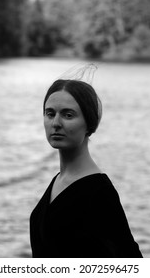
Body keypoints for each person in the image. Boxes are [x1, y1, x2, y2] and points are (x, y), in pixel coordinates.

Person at [30, 79, 142, 258]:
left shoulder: (99, 192)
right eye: (50, 114)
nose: (56, 123)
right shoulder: (60, 180)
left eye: (68, 115)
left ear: (89, 123)